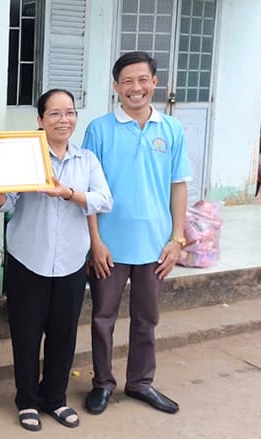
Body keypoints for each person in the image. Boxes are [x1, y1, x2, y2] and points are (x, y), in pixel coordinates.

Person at [0, 89, 112, 431]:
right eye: (55, 114)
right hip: (28, 259)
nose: (64, 120)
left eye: (70, 112)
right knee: (26, 335)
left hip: (71, 262)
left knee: (63, 335)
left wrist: (68, 193)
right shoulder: (25, 156)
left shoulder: (86, 160)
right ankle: (26, 401)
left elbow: (104, 200)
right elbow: (8, 203)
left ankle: (55, 398)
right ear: (40, 119)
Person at [82, 51, 191, 416]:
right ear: (116, 86)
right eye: (127, 81)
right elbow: (88, 191)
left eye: (143, 80)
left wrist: (176, 239)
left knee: (147, 319)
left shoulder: (171, 129)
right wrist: (95, 242)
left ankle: (141, 382)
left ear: (154, 83)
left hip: (155, 245)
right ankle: (102, 383)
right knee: (103, 318)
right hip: (109, 246)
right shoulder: (99, 129)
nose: (136, 88)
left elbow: (178, 185)